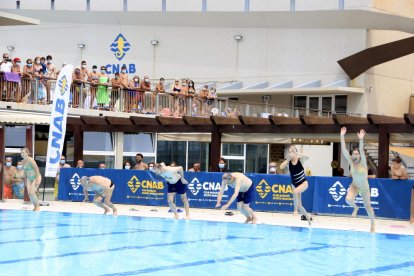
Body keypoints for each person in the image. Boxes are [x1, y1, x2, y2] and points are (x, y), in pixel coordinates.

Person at [340, 127, 375, 232]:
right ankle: (355, 207)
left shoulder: (363, 163)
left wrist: (361, 139)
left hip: (364, 188)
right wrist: (342, 136)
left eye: (356, 154)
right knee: (348, 199)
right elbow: (344, 150)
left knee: (368, 206)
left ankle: (372, 224)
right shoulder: (351, 162)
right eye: (353, 154)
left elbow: (362, 151)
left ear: (359, 156)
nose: (354, 155)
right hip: (354, 186)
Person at [279, 145, 312, 224]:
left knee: (295, 192)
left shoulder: (300, 159)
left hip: (303, 183)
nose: (290, 153)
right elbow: (281, 167)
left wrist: (297, 153)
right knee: (300, 206)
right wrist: (288, 159)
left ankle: (295, 210)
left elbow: (308, 157)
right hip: (295, 185)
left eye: (292, 152)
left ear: (295, 152)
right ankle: (308, 217)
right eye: (289, 152)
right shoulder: (289, 162)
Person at [21, 147, 42, 211]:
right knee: (29, 194)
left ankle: (38, 207)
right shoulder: (22, 162)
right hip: (29, 179)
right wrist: (25, 181)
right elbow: (25, 172)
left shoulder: (31, 160)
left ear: (27, 153)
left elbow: (36, 170)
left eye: (23, 152)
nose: (22, 154)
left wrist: (37, 179)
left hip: (36, 177)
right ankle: (35, 206)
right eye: (21, 153)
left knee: (32, 193)